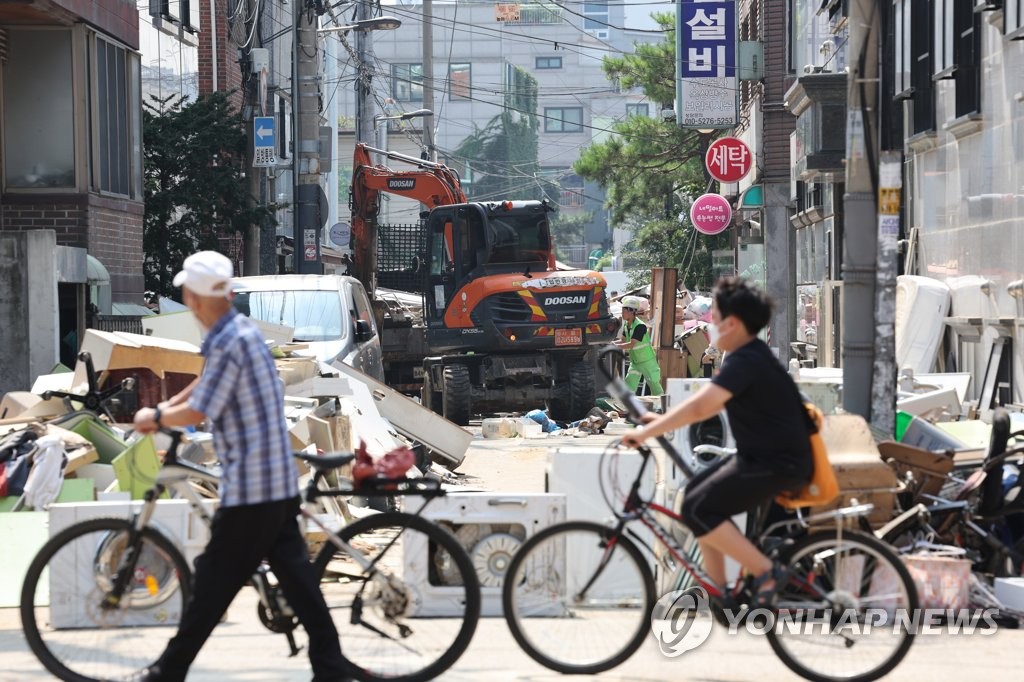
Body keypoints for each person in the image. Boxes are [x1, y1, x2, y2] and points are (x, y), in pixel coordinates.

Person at [132, 251, 350, 682]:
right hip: (273, 479)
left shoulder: (229, 341)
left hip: (253, 487)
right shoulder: (235, 333)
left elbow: (200, 409)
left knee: (212, 583)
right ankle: (331, 667)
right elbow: (204, 383)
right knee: (298, 581)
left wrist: (153, 419)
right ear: (227, 294)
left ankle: (168, 671)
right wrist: (164, 406)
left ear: (194, 297)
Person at [621, 277, 812, 605]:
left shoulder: (745, 360)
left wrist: (646, 432)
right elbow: (702, 404)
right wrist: (657, 422)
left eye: (715, 319)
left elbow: (702, 405)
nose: (710, 326)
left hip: (776, 462)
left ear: (733, 324)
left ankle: (766, 571)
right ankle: (722, 593)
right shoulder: (748, 355)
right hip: (765, 457)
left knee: (698, 507)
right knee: (694, 497)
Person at [615, 294, 664, 396]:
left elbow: (631, 345)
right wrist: (611, 344)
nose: (622, 313)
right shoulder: (626, 325)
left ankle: (662, 406)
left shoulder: (640, 326)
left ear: (631, 312)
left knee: (654, 386)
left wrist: (615, 346)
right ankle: (628, 407)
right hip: (636, 362)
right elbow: (622, 340)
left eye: (624, 311)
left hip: (647, 361)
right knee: (629, 385)